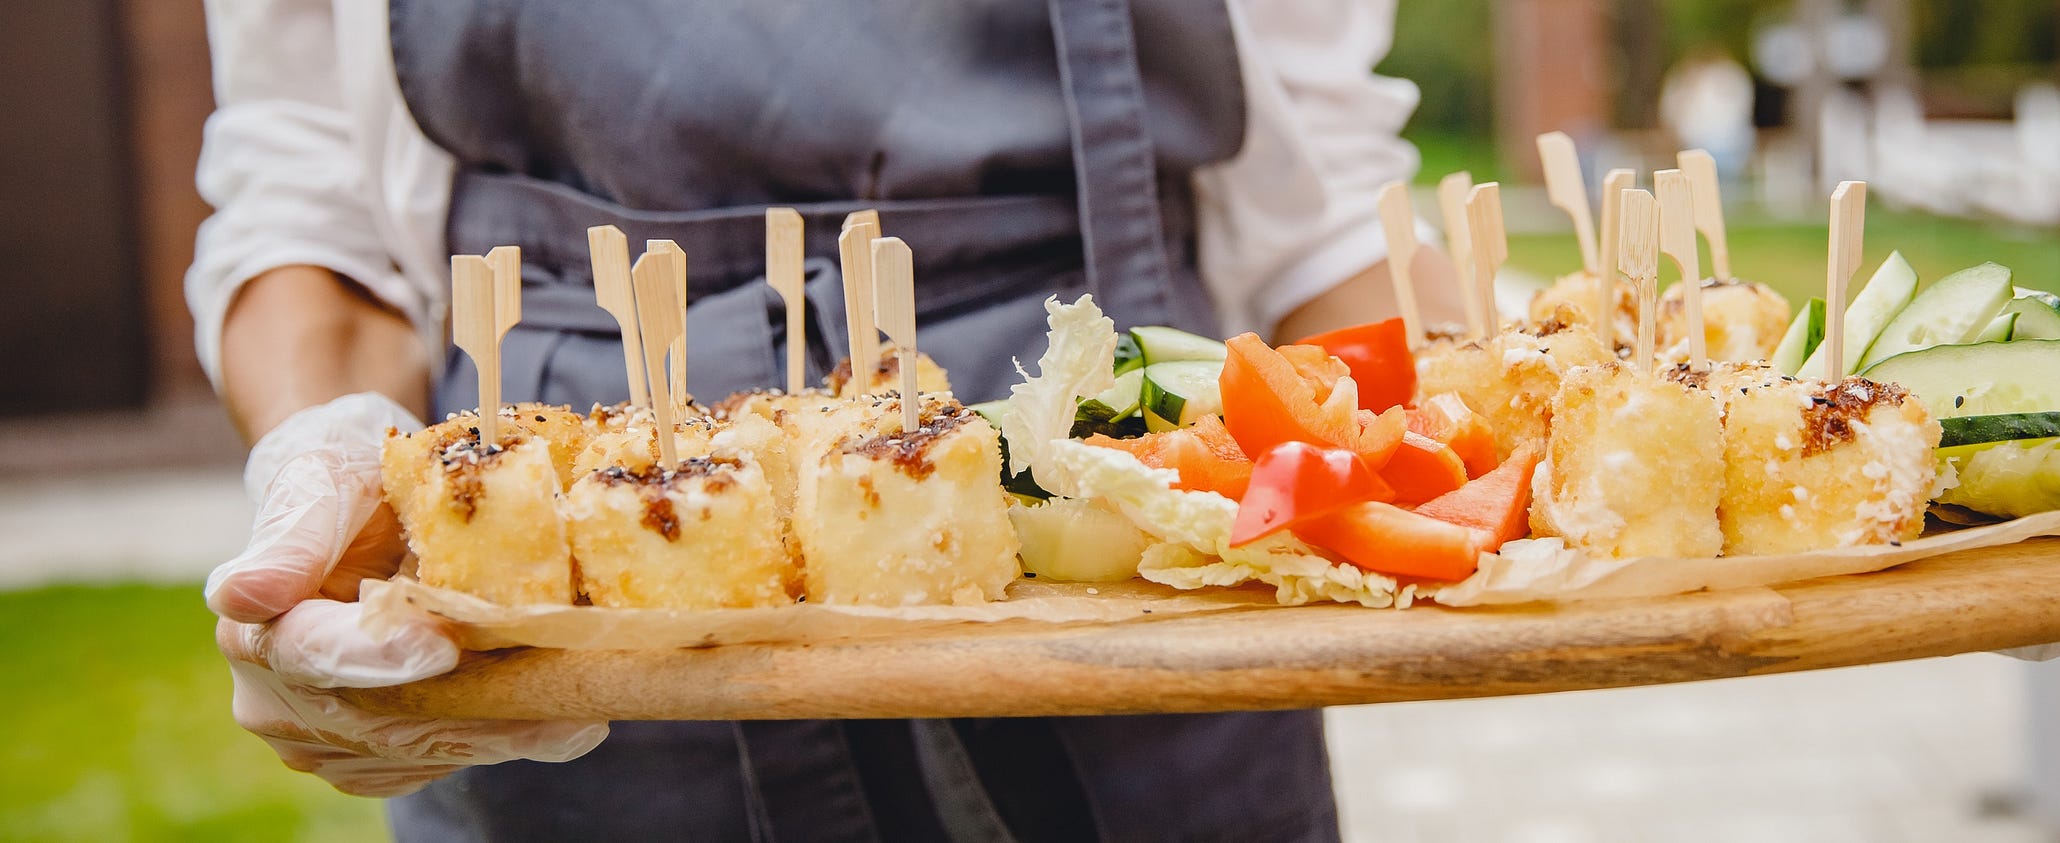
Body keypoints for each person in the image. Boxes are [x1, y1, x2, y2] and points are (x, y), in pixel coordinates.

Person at [192, 1, 1458, 840]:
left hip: (1132, 552)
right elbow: (308, 182)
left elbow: (1320, 189)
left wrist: (1464, 461)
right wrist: (320, 452)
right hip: (579, 649)